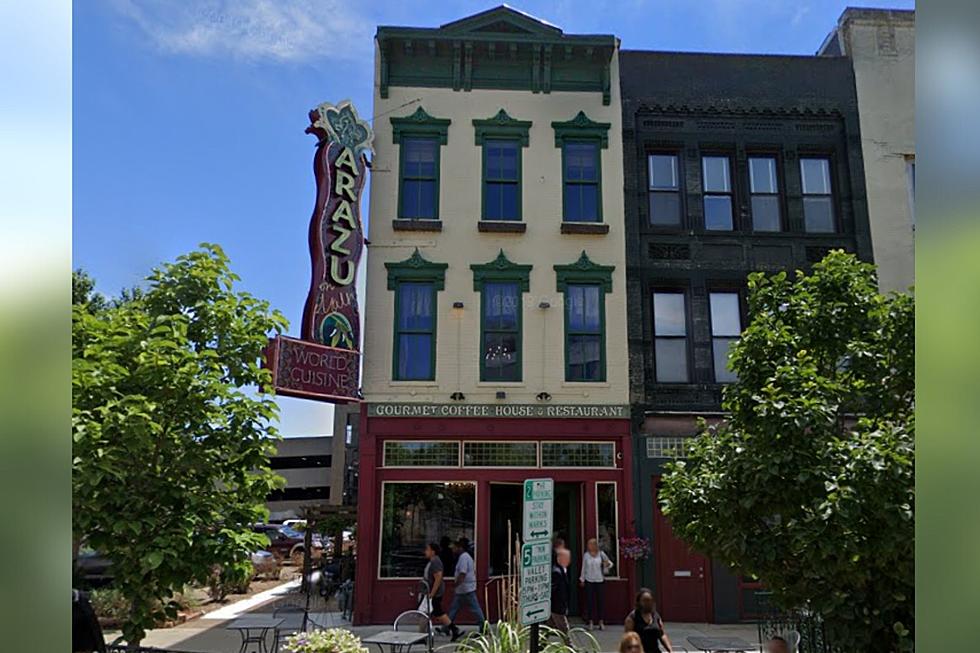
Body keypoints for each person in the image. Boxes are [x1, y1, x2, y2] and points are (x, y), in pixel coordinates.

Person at [446, 537, 485, 641]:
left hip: (466, 589)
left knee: (475, 609)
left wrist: (456, 584)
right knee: (454, 608)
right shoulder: (466, 557)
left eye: (454, 548)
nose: (453, 550)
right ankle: (446, 627)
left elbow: (462, 573)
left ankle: (483, 628)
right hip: (463, 589)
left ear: (460, 547)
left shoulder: (463, 557)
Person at [624, 588, 673, 653]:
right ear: (639, 602)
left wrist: (670, 650)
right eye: (645, 601)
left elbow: (662, 635)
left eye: (650, 600)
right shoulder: (632, 618)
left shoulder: (656, 616)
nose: (648, 603)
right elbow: (628, 639)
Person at [579, 537, 613, 630]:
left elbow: (610, 563)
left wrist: (607, 564)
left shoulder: (601, 554)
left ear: (594, 545)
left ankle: (601, 622)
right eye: (588, 544)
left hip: (599, 580)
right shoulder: (586, 555)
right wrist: (582, 579)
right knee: (590, 601)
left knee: (600, 601)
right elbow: (584, 567)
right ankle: (591, 622)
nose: (588, 546)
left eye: (590, 544)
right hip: (589, 580)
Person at [423, 543, 452, 635]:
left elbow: (438, 578)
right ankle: (454, 629)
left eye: (427, 550)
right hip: (429, 591)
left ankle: (421, 634)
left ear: (433, 552)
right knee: (434, 612)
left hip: (434, 592)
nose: (425, 552)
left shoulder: (436, 562)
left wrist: (432, 593)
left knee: (427, 612)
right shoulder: (432, 561)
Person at [547, 547, 572, 634]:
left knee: (549, 627)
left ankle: (542, 645)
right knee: (564, 628)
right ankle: (570, 646)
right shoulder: (556, 572)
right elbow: (555, 590)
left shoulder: (560, 570)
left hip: (557, 605)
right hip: (556, 605)